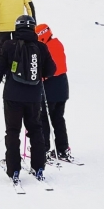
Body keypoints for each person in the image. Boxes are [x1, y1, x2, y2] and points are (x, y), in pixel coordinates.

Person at [0, 15, 55, 182]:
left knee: (12, 131)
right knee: (35, 130)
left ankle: (14, 169)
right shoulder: (41, 47)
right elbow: (51, 70)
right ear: (33, 28)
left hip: (12, 95)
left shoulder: (8, 45)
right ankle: (38, 166)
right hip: (34, 96)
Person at [35, 24, 73, 163]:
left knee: (44, 118)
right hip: (62, 87)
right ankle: (62, 148)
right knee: (58, 118)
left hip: (50, 88)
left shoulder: (46, 48)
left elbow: (49, 70)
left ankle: (43, 148)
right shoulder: (57, 43)